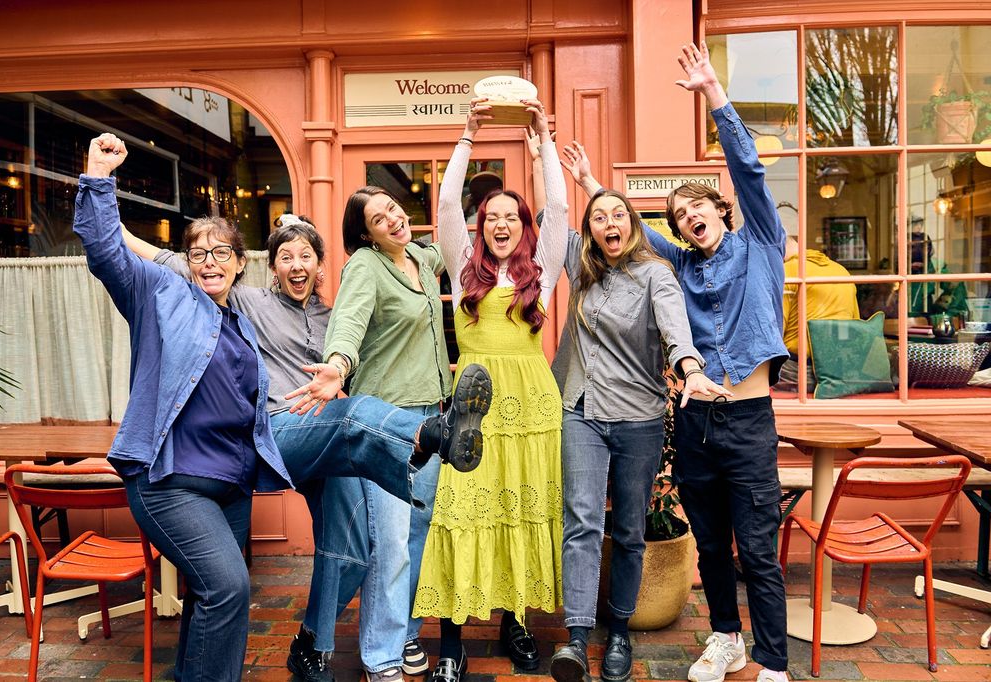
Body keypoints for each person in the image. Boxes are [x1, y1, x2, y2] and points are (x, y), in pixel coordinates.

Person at [94, 133, 490, 681]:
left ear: (321, 265)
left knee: (351, 545)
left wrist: (346, 368)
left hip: (286, 450)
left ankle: (311, 641)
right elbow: (169, 263)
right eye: (285, 256)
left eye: (306, 255)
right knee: (350, 421)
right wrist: (106, 207)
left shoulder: (319, 313)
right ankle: (430, 435)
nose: (296, 264)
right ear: (270, 267)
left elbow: (358, 333)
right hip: (274, 432)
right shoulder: (246, 300)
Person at [561, 42, 792, 682]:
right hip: (692, 422)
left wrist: (714, 93)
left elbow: (747, 167)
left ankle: (772, 660)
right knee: (712, 544)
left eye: (700, 208)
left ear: (722, 211)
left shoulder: (761, 245)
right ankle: (725, 638)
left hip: (746, 418)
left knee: (758, 552)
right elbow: (628, 235)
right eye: (681, 215)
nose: (690, 219)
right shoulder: (678, 265)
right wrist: (589, 185)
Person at [548, 187, 730, 682]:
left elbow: (676, 331)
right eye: (599, 217)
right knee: (582, 523)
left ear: (632, 223)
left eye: (618, 215)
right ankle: (577, 637)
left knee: (629, 530)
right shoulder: (580, 267)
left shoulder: (656, 275)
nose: (610, 223)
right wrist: (543, 143)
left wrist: (690, 369)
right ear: (590, 230)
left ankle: (621, 630)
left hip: (638, 418)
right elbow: (553, 212)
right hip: (580, 410)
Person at [412, 97, 565, 682]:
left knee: (520, 513)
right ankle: (451, 639)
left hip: (532, 408)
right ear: (480, 228)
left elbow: (561, 209)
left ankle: (517, 623)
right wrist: (466, 138)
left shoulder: (542, 271)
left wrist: (544, 140)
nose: (502, 225)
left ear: (525, 229)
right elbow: (447, 202)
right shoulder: (461, 267)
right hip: (474, 408)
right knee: (461, 512)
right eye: (492, 218)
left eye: (512, 218)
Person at [297, 184, 456, 682]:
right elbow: (347, 324)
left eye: (392, 208)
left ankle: (402, 633)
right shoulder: (366, 266)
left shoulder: (422, 258)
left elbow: (450, 229)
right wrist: (338, 366)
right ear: (364, 234)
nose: (391, 218)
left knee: (414, 536)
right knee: (389, 543)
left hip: (431, 418)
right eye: (377, 218)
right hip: (386, 423)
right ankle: (380, 659)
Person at [777, 235, 860, 393]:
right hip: (843, 369)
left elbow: (775, 330)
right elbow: (855, 322)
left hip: (801, 370)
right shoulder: (841, 270)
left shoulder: (788, 271)